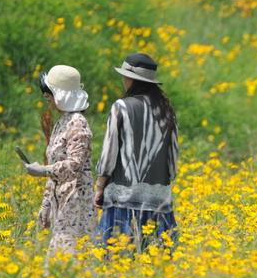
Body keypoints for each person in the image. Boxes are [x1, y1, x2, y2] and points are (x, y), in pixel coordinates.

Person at [94, 52, 179, 253]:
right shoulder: (167, 110)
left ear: (131, 78)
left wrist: (99, 187)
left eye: (125, 76)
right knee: (156, 264)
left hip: (124, 200)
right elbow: (172, 162)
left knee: (117, 261)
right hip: (159, 202)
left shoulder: (121, 107)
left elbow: (109, 154)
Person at [23, 64, 97, 257]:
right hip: (61, 199)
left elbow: (75, 165)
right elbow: (55, 172)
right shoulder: (61, 123)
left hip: (76, 200)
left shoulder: (77, 123)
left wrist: (43, 170)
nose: (48, 103)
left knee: (71, 256)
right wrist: (45, 204)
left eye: (49, 97)